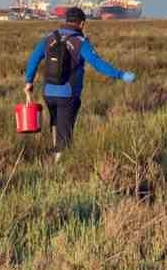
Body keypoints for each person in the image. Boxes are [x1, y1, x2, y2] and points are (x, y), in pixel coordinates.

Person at [23, 8, 136, 158]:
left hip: (48, 92)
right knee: (65, 134)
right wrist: (121, 75)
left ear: (66, 20)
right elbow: (98, 64)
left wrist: (29, 82)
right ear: (82, 23)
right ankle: (60, 165)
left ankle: (54, 155)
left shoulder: (48, 38)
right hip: (68, 94)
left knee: (56, 124)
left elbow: (33, 59)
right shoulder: (80, 42)